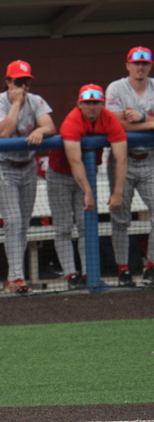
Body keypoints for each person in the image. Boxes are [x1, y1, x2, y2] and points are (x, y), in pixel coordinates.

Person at [46, 85, 128, 289]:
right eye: (87, 103)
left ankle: (88, 274)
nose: (91, 107)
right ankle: (70, 275)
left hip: (87, 174)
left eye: (96, 103)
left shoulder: (109, 119)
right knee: (64, 227)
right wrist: (88, 192)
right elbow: (75, 161)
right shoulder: (72, 121)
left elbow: (121, 157)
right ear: (79, 104)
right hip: (60, 175)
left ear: (102, 104)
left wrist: (117, 192)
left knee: (85, 227)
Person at [0, 61, 56, 293]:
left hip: (28, 166)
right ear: (8, 82)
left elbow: (50, 126)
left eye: (26, 82)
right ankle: (16, 276)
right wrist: (15, 104)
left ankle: (14, 276)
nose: (23, 86)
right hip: (3, 166)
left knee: (23, 224)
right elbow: (4, 131)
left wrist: (40, 130)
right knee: (14, 220)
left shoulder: (35, 100)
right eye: (18, 82)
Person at [105, 46, 154, 287]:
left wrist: (142, 118)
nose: (140, 67)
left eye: (144, 63)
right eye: (136, 63)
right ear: (128, 65)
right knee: (120, 219)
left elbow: (130, 123)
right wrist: (151, 124)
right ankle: (123, 269)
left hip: (150, 159)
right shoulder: (116, 87)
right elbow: (115, 124)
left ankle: (152, 267)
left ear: (150, 66)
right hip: (121, 160)